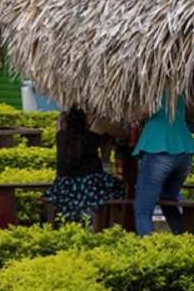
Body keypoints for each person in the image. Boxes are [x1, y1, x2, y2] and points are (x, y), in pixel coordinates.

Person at [44, 107, 126, 224]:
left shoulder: (61, 120)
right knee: (121, 189)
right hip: (91, 182)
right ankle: (111, 228)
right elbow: (123, 134)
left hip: (63, 184)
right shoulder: (99, 121)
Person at [133, 94, 194, 236]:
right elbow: (189, 113)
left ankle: (150, 252)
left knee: (142, 210)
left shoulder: (153, 87)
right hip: (184, 153)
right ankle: (184, 241)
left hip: (157, 148)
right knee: (168, 200)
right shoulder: (181, 91)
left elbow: (144, 111)